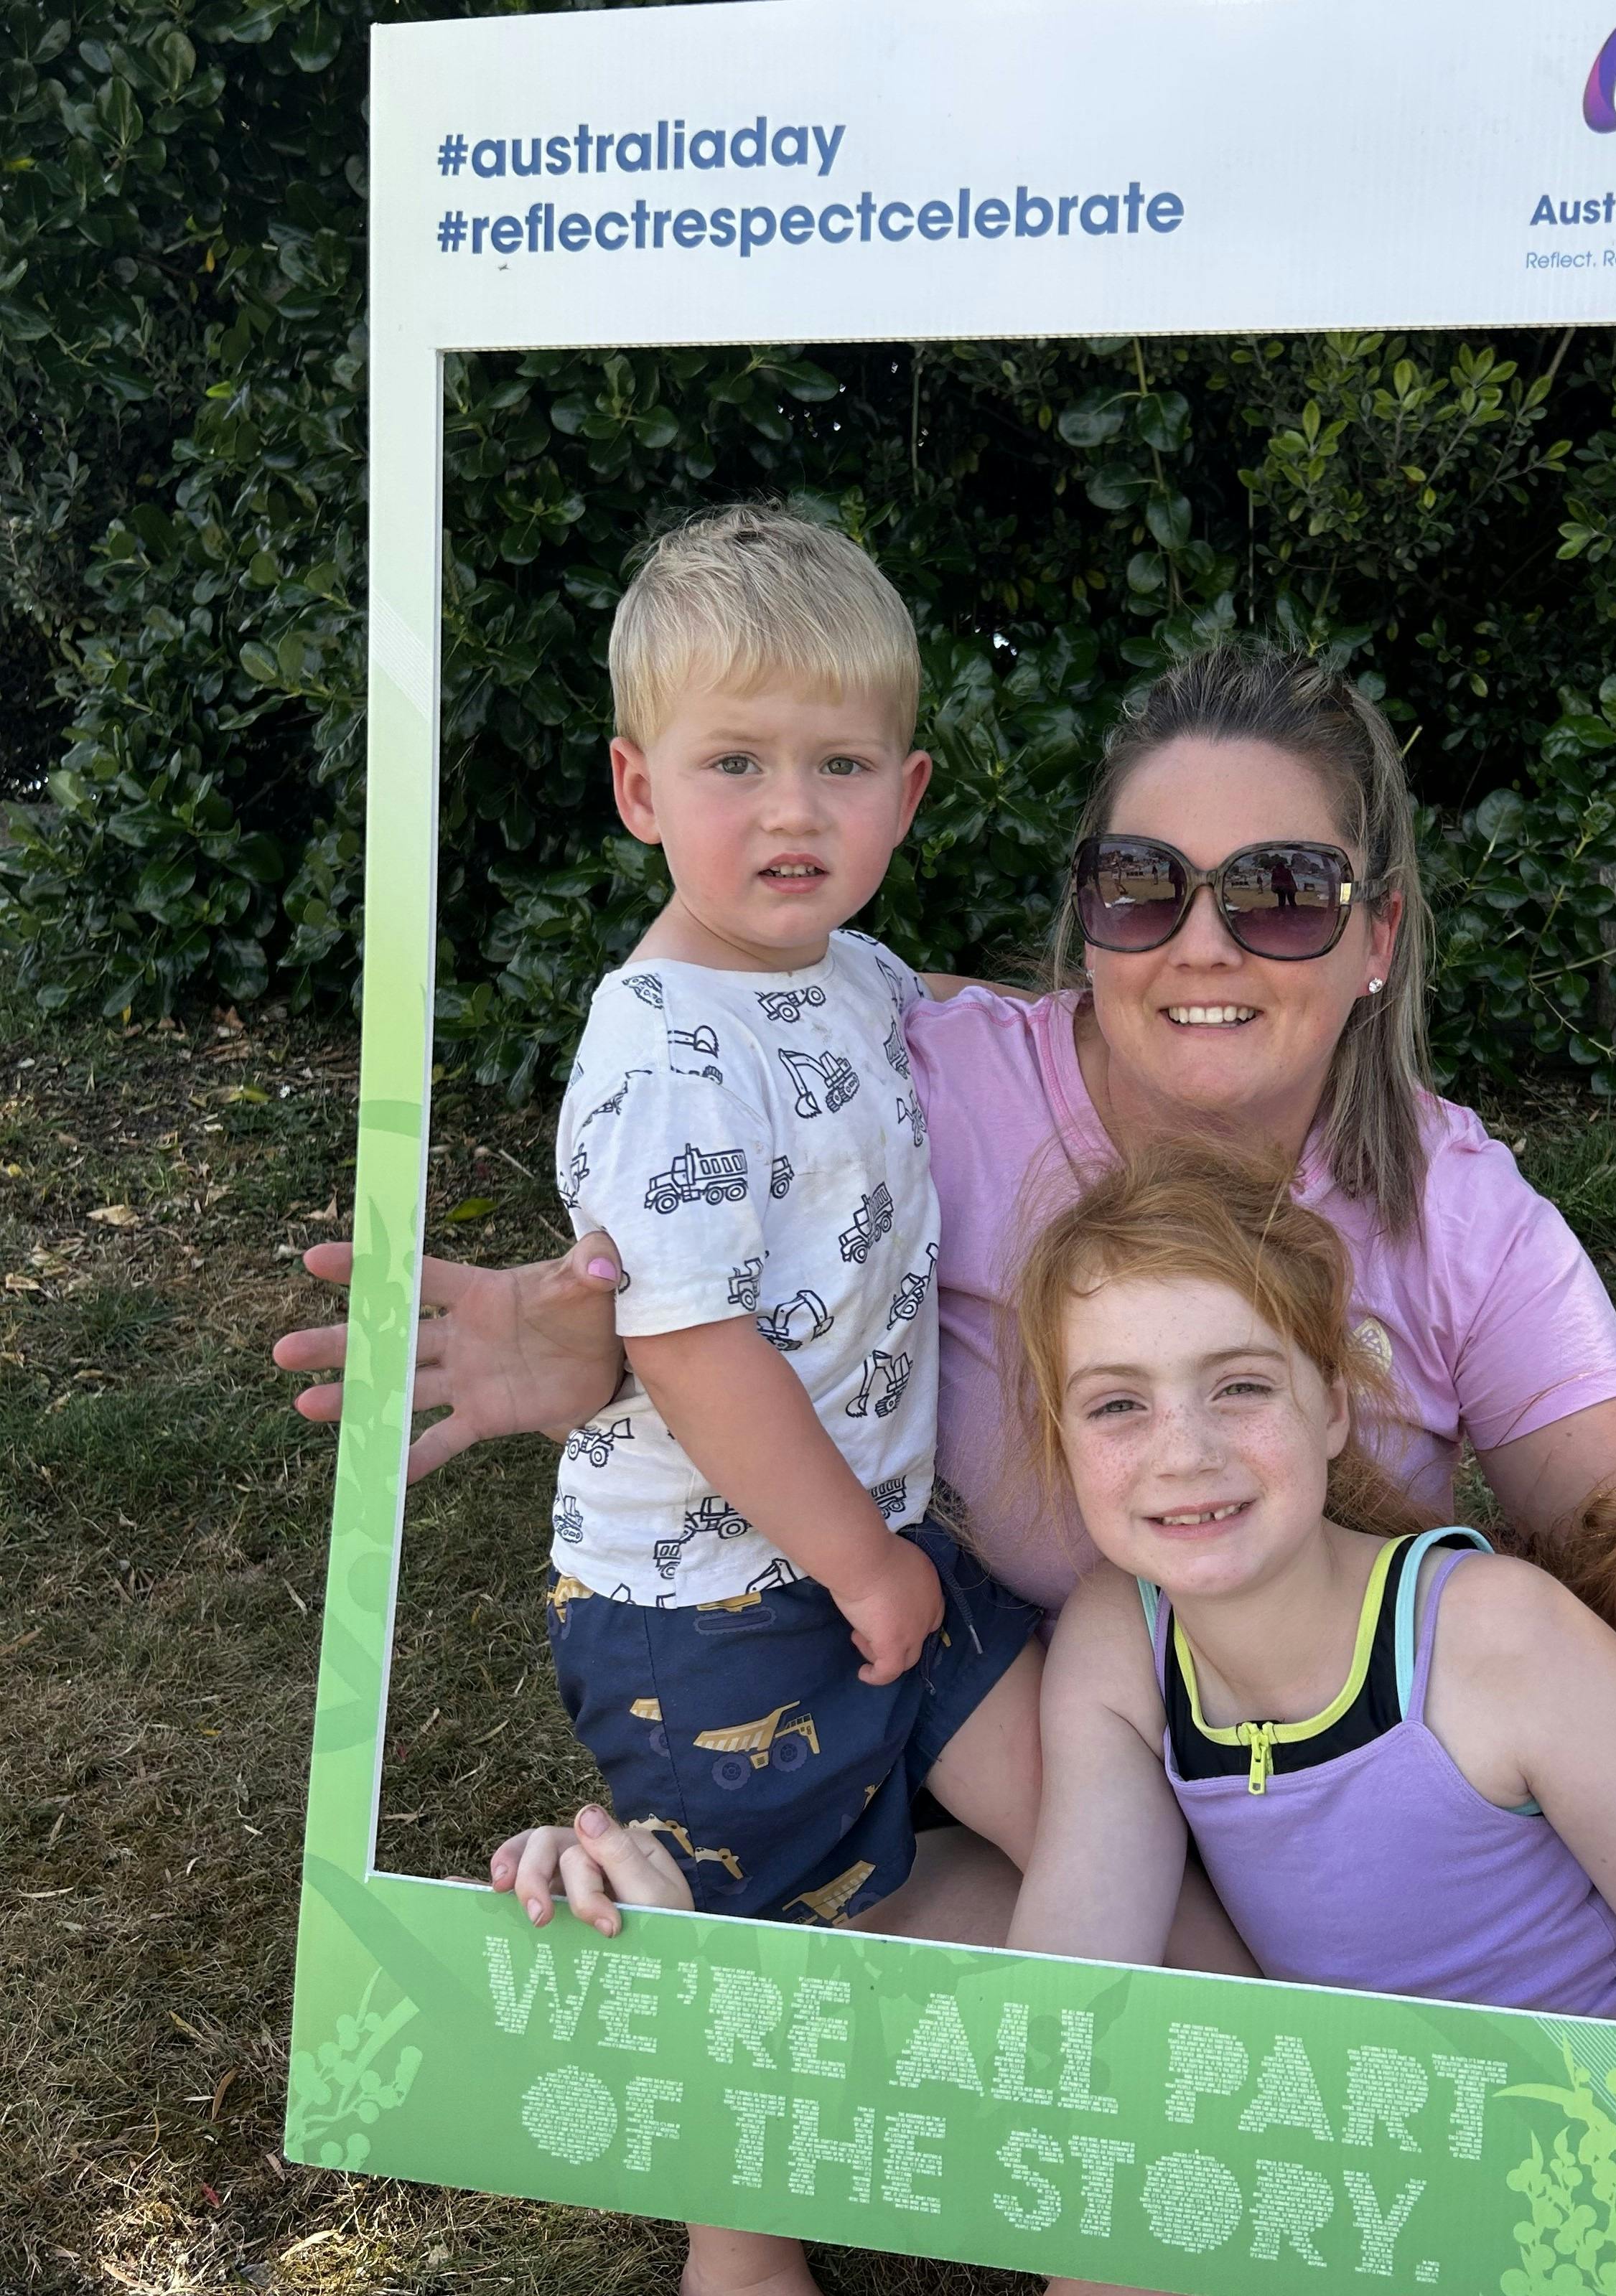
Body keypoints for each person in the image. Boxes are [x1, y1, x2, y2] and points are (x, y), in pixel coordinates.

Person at [537, 1140, 1616, 2296]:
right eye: (1119, 1404)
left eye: (1238, 1386)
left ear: (1337, 1405)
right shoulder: (1119, 1650)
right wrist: (691, 1936)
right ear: (1063, 1448)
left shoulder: (1493, 1641)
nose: (1183, 1449)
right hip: (1384, 2151)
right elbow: (1070, 2001)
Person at [278, 642, 1616, 1715]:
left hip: (1324, 1815)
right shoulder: (928, 1085)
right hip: (961, 1743)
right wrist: (612, 1339)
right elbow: (724, 1232)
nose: (1200, 945)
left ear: (1378, 937)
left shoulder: (1464, 1216)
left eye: (1284, 895)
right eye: (1141, 886)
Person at [515, 505, 1043, 2296]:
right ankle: (741, 2254)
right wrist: (863, 1568)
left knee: (1081, 1789)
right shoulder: (660, 1042)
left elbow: (967, 1016)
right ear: (639, 787)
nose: (793, 809)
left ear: (904, 795)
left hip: (881, 1550)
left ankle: (1171, 2023)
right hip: (713, 1605)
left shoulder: (851, 973)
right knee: (741, 1972)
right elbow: (688, 1343)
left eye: (838, 766)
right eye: (735, 761)